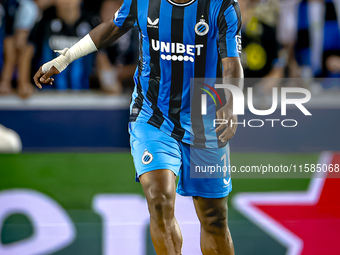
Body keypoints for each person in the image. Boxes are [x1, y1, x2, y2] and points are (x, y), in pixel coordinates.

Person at [33, 0, 243, 254]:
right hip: (153, 117)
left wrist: (231, 103)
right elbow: (112, 28)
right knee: (159, 198)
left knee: (214, 219)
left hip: (204, 120)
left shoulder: (221, 6)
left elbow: (232, 63)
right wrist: (66, 58)